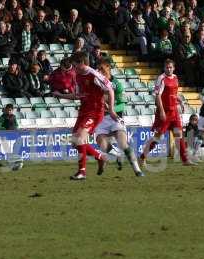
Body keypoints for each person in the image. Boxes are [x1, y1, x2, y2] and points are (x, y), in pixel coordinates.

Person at [52, 52, 115, 180]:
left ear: (81, 63)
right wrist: (60, 95)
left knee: (80, 139)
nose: (72, 66)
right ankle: (100, 158)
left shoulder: (94, 74)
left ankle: (82, 172)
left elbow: (110, 89)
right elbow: (77, 95)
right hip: (83, 111)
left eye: (74, 64)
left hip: (95, 111)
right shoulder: (77, 75)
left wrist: (112, 110)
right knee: (75, 143)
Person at [139, 59, 195, 167]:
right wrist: (161, 112)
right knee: (157, 137)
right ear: (164, 68)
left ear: (174, 68)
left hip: (174, 112)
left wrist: (181, 102)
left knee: (178, 135)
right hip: (164, 113)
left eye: (170, 67)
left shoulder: (175, 78)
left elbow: (174, 94)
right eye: (167, 67)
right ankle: (142, 157)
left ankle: (185, 160)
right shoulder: (161, 79)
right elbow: (158, 96)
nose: (169, 69)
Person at [94, 59, 144, 177]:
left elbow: (122, 104)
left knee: (123, 144)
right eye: (98, 69)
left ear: (108, 67)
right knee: (102, 143)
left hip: (115, 118)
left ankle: (137, 170)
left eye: (102, 68)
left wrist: (112, 109)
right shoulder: (96, 82)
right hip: (101, 119)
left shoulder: (117, 84)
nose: (100, 71)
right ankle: (117, 155)